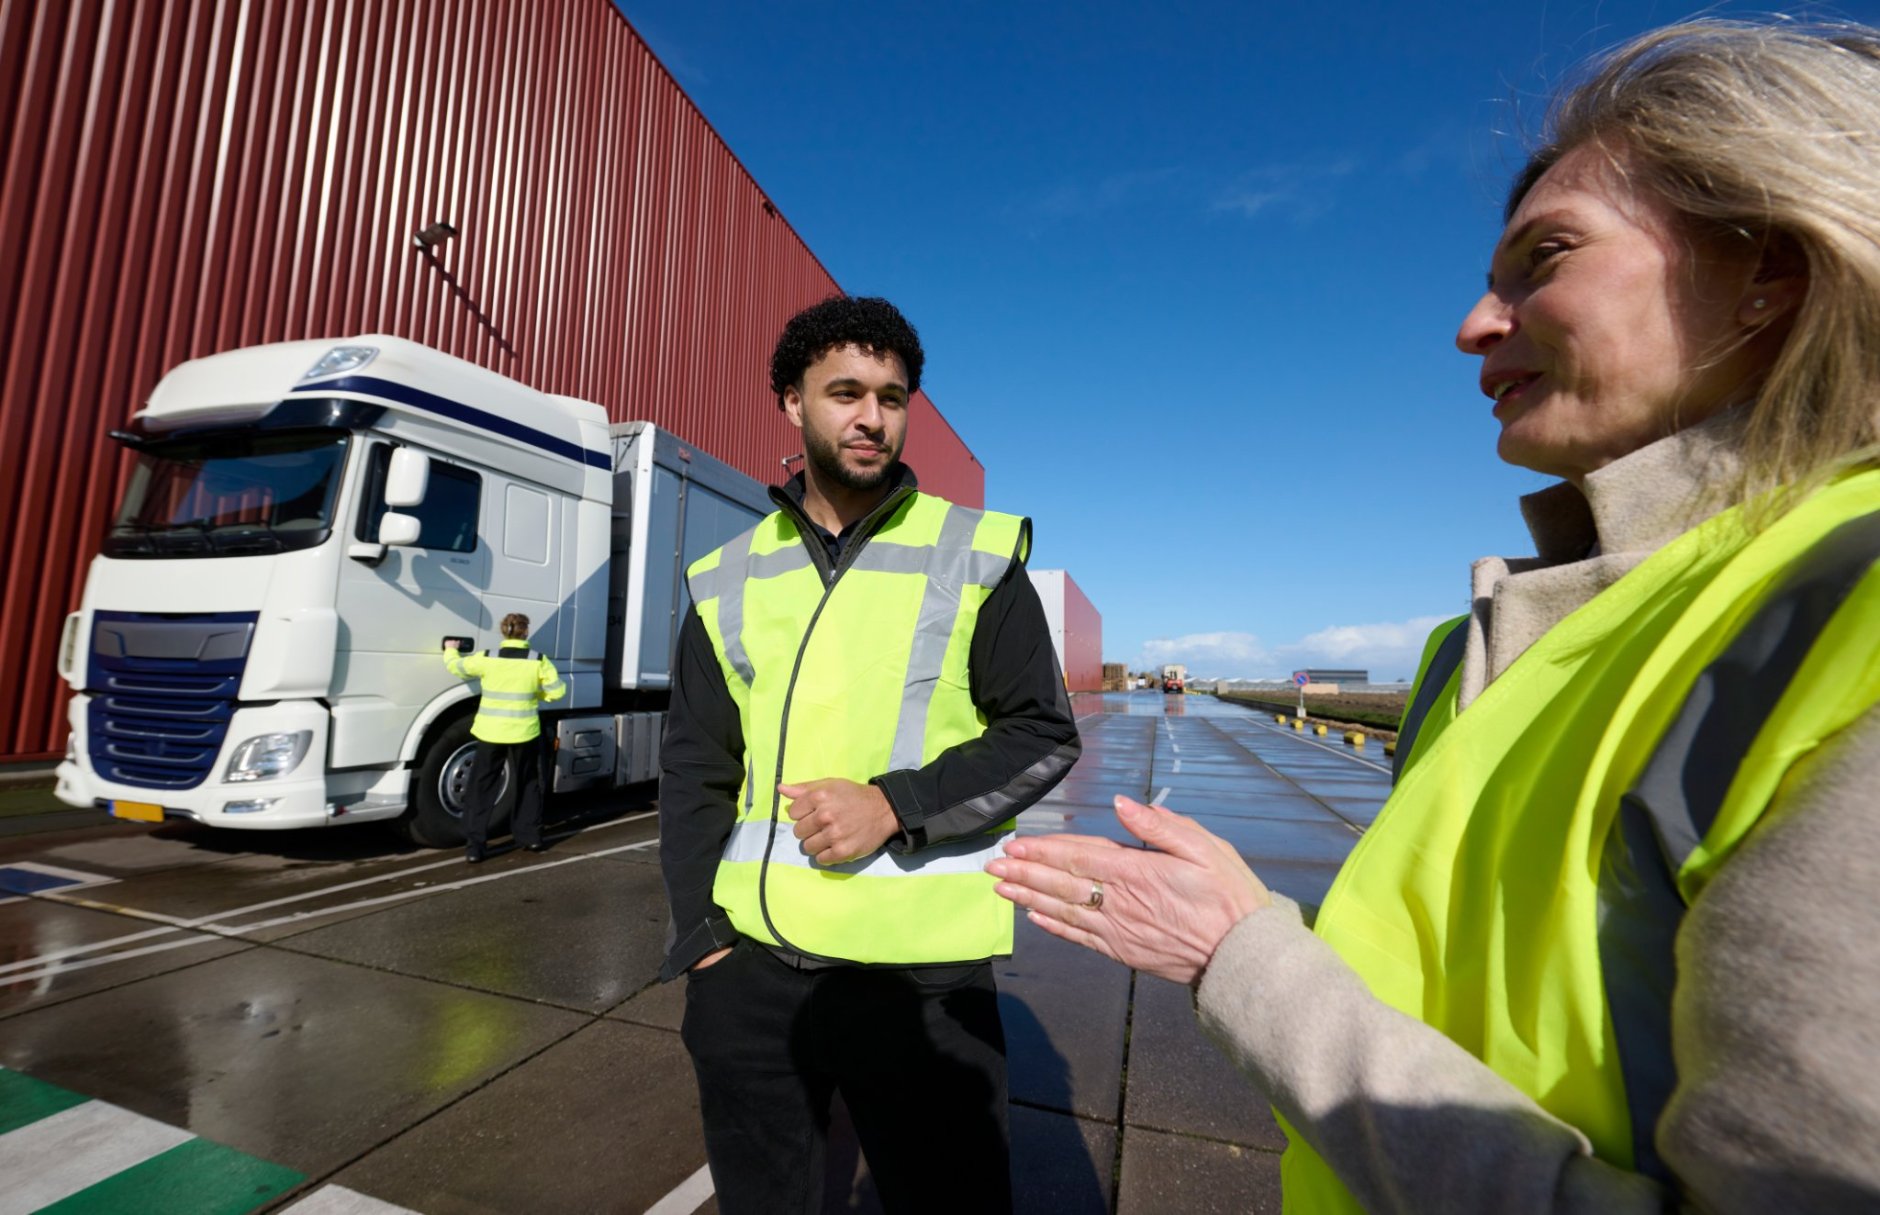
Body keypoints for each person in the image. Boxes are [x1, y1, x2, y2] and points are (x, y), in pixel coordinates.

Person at [987, 20, 1880, 1213]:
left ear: (1769, 268)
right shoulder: (1488, 643)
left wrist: (1239, 958)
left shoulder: (1843, 612)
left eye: (1543, 256)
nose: (1471, 324)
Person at [658, 294, 1081, 1214]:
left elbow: (1042, 733)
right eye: (844, 391)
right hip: (752, 972)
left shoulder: (976, 553)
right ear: (791, 403)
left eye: (892, 396)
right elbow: (696, 767)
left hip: (921, 982)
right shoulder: (726, 576)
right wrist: (700, 939)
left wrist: (892, 804)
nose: (870, 416)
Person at [443, 613, 566, 862]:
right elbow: (558, 691)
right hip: (524, 731)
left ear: (504, 632)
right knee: (528, 782)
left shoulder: (488, 658)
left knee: (482, 786)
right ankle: (530, 837)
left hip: (490, 732)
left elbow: (458, 668)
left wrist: (450, 650)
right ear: (525, 632)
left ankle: (475, 847)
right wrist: (536, 697)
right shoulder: (537, 661)